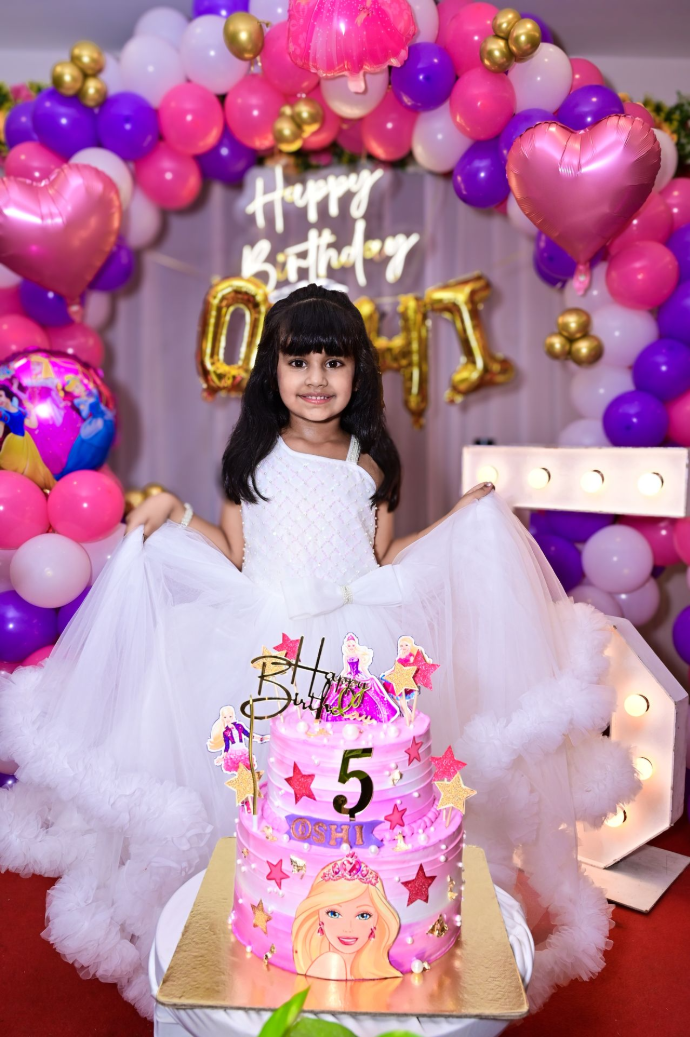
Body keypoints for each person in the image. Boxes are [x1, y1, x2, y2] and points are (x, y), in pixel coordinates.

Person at [0, 285, 638, 1018]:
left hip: (358, 643)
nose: (315, 378)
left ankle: (357, 922)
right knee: (260, 786)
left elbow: (383, 557)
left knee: (359, 796)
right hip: (265, 642)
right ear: (271, 369)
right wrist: (178, 514)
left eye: (333, 362)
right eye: (298, 360)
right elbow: (238, 554)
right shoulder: (253, 456)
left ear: (357, 371)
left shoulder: (370, 463)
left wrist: (455, 523)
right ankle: (256, 925)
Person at [291, 850, 401, 980]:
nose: (348, 928)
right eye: (334, 913)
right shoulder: (327, 965)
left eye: (363, 916)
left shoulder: (378, 971)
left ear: (377, 918)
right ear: (319, 916)